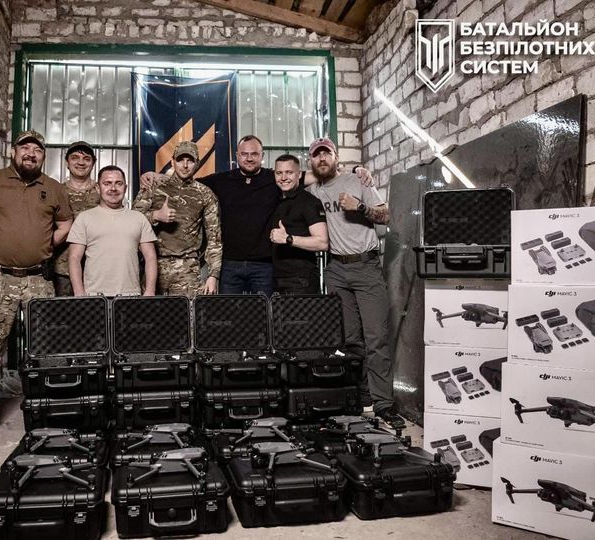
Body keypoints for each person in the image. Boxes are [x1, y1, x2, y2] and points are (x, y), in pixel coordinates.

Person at [142, 135, 372, 295]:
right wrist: (156, 176)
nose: (249, 158)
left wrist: (354, 170)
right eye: (244, 154)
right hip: (230, 265)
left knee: (263, 319)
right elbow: (188, 182)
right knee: (231, 319)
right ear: (237, 155)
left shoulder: (275, 178)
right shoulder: (222, 180)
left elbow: (321, 174)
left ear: (262, 156)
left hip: (264, 265)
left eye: (254, 154)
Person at [0, 130, 73, 443]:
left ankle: (50, 413)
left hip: (38, 280)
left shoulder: (53, 188)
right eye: (25, 148)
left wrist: (47, 245)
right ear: (13, 152)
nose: (31, 153)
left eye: (37, 149)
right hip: (0, 279)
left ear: (43, 156)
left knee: (47, 350)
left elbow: (66, 223)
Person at [304, 137, 403, 428]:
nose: (322, 159)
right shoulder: (311, 191)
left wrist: (360, 207)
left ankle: (383, 404)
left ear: (336, 157)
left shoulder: (357, 180)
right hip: (336, 268)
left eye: (327, 154)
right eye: (317, 155)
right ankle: (361, 397)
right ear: (311, 161)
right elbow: (290, 177)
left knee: (376, 339)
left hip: (365, 266)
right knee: (350, 340)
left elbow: (386, 215)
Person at [132, 141, 222, 296]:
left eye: (190, 161)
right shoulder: (154, 186)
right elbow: (132, 221)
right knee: (148, 311)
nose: (185, 165)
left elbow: (214, 238)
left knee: (187, 312)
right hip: (153, 266)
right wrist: (156, 216)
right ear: (172, 161)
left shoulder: (205, 194)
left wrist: (213, 275)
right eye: (180, 160)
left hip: (187, 270)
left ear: (197, 163)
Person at [67, 165, 157, 297]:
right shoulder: (84, 218)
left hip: (130, 295)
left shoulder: (139, 218)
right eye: (107, 183)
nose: (113, 188)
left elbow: (150, 257)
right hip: (94, 296)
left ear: (125, 188)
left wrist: (150, 290)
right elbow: (74, 258)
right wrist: (79, 292)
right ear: (98, 188)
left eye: (118, 183)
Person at [268, 154, 329, 294]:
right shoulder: (276, 199)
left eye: (289, 172)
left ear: (299, 175)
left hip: (301, 280)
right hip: (277, 278)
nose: (283, 177)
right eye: (279, 173)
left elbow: (322, 243)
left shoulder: (309, 202)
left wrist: (288, 239)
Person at [52, 141, 100, 296]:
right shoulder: (56, 192)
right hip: (62, 270)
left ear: (93, 163)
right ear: (67, 162)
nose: (81, 162)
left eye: (86, 159)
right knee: (63, 311)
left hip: (97, 269)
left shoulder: (104, 191)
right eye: (75, 158)